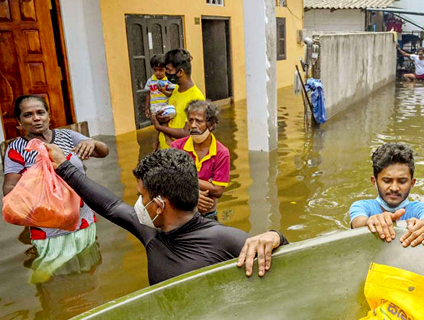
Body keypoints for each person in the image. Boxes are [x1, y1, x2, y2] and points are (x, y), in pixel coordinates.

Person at [46, 146, 288, 284]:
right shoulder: (151, 232)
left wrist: (276, 237)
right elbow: (111, 206)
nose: (138, 203)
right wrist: (63, 166)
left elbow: (292, 273)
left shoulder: (226, 240)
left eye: (142, 196)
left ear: (160, 205)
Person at [2, 95, 109, 282]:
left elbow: (103, 152)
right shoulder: (17, 149)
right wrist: (32, 201)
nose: (36, 118)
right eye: (28, 115)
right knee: (52, 274)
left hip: (81, 217)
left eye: (40, 112)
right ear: (19, 122)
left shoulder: (68, 137)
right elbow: (10, 186)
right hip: (47, 225)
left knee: (88, 266)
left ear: (49, 116)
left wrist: (93, 143)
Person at [349, 143, 424, 247]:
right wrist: (370, 222)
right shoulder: (362, 207)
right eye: (387, 181)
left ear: (412, 183)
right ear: (374, 181)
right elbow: (357, 223)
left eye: (402, 181)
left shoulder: (423, 209)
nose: (394, 188)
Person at [171, 100, 228, 220]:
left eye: (199, 121)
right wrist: (193, 195)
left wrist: (185, 179)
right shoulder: (176, 147)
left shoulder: (221, 153)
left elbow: (218, 191)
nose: (193, 125)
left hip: (208, 216)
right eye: (191, 120)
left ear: (211, 125)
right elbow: (169, 181)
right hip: (182, 215)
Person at [153, 49, 205, 150]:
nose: (166, 73)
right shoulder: (176, 89)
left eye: (169, 70)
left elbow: (186, 133)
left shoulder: (196, 98)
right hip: (165, 151)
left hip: (178, 156)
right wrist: (157, 141)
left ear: (180, 72)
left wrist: (159, 127)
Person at [144, 54, 176, 151]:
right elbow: (148, 95)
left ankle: (159, 141)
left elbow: (170, 94)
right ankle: (162, 139)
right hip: (155, 107)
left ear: (166, 69)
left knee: (164, 122)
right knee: (158, 125)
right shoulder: (151, 80)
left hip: (165, 106)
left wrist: (162, 90)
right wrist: (146, 108)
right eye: (155, 70)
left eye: (161, 70)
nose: (158, 73)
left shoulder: (168, 81)